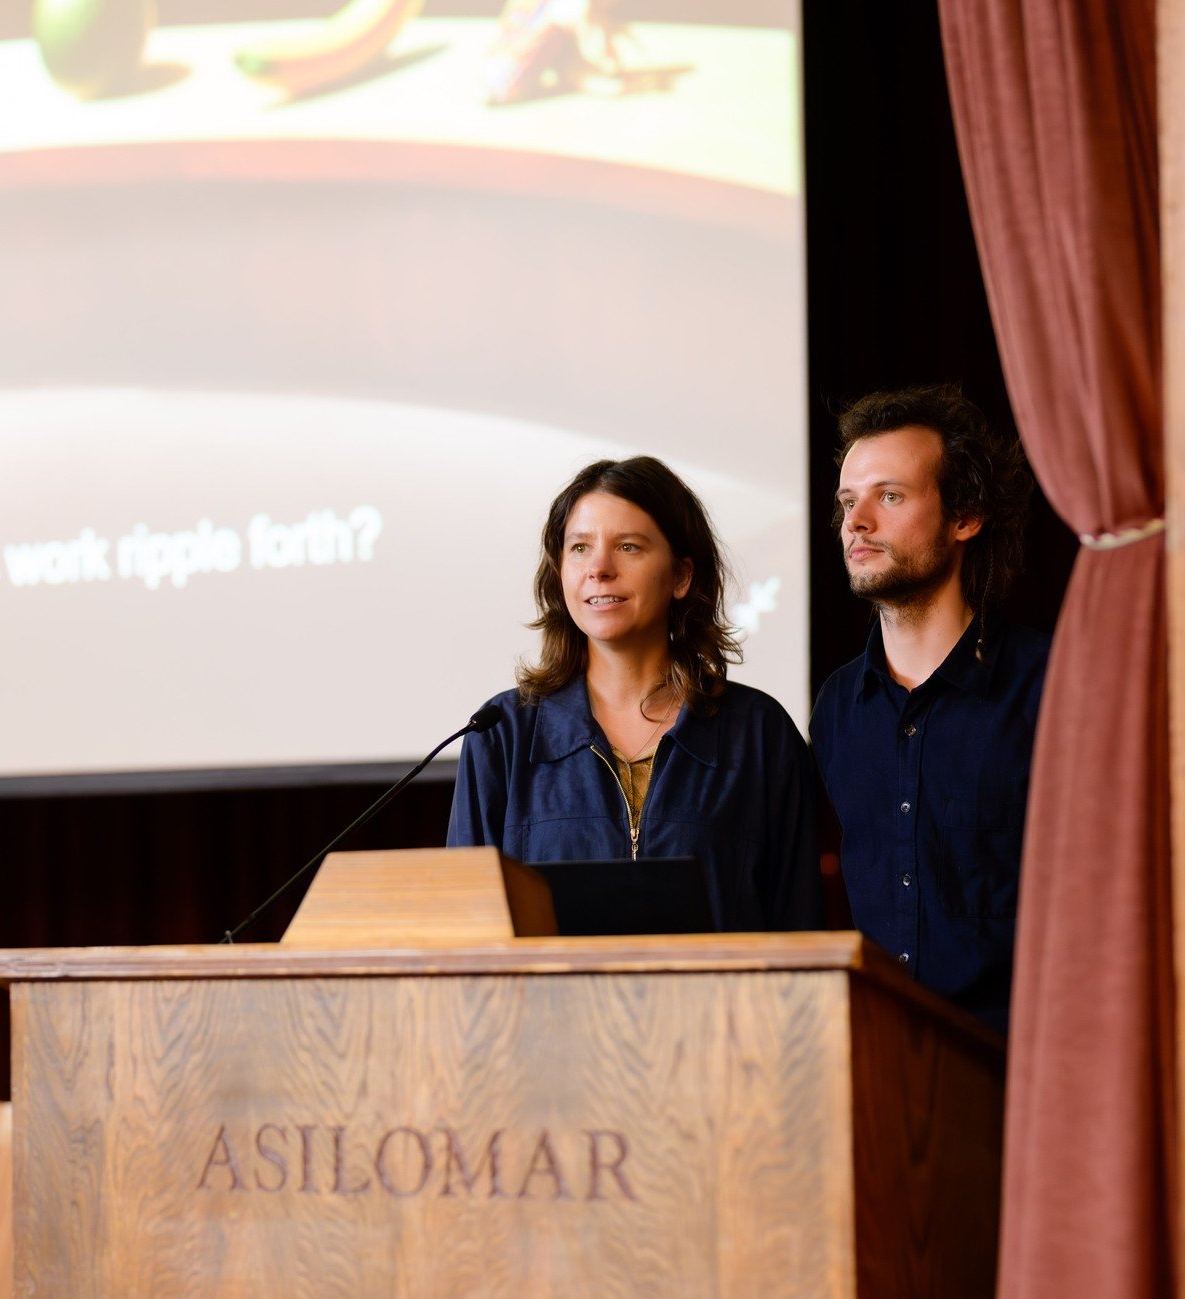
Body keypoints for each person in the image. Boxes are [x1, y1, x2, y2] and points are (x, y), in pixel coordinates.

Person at [448, 456, 821, 932]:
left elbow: (799, 930)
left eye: (628, 546)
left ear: (682, 575)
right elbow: (466, 935)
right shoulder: (502, 735)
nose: (599, 568)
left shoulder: (759, 734)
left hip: (719, 1008)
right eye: (580, 548)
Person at [809, 385, 1047, 1031]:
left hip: (1015, 1065)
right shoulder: (837, 707)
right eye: (847, 501)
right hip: (879, 1063)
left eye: (889, 496)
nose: (856, 522)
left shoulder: (1050, 685)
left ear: (964, 517)